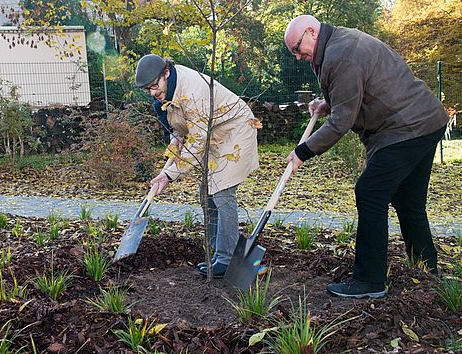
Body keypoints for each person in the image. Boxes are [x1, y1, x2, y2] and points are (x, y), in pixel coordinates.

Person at [283, 15, 448, 298]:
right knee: (408, 201)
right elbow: (357, 89)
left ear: (311, 31)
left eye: (298, 48)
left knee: (369, 192)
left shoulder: (341, 55)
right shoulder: (339, 41)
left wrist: (303, 151)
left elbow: (341, 122)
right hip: (425, 121)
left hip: (406, 128)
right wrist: (327, 102)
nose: (298, 57)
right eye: (295, 53)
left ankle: (369, 281)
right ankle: (426, 269)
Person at [134, 54, 259, 278]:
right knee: (207, 194)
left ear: (167, 73)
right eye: (148, 89)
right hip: (214, 135)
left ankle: (226, 258)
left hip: (235, 131)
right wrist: (175, 138)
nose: (153, 92)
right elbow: (181, 126)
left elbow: (198, 140)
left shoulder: (192, 89)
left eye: (155, 86)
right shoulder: (165, 94)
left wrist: (169, 175)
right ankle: (216, 256)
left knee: (222, 191)